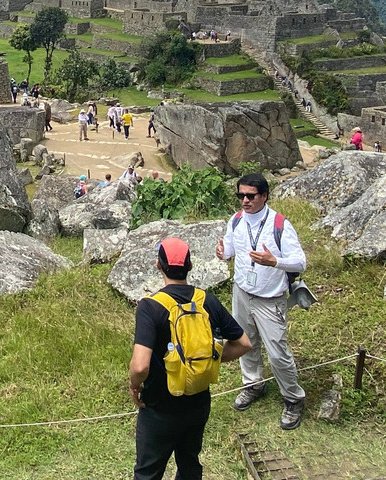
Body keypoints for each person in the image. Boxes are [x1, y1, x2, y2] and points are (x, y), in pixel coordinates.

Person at [130, 238, 251, 480]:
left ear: (158, 265)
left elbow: (140, 365)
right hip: (198, 404)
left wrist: (134, 385)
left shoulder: (150, 307)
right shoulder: (207, 300)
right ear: (190, 266)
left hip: (159, 408)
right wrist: (211, 359)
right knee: (189, 465)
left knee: (148, 473)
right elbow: (243, 344)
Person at [215, 173, 308, 430]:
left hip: (270, 298)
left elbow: (301, 262)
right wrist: (223, 253)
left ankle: (293, 398)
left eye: (250, 196)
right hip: (242, 292)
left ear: (264, 196)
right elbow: (231, 251)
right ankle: (253, 384)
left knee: (278, 352)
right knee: (245, 343)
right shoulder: (235, 220)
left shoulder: (279, 224)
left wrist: (275, 262)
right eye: (240, 195)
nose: (245, 200)